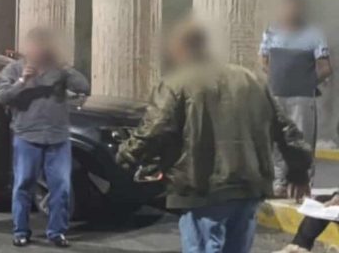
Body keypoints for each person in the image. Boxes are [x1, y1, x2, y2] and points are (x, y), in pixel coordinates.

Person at [116, 21, 313, 253]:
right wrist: (298, 171)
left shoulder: (177, 82)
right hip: (249, 185)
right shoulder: (252, 79)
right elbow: (287, 130)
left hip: (202, 187)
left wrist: (126, 156)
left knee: (203, 246)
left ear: (180, 48)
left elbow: (154, 129)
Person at [0, 27, 90, 248]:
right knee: (23, 185)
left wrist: (66, 68)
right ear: (28, 48)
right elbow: (2, 97)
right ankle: (20, 231)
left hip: (58, 139)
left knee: (61, 187)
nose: (39, 50)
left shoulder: (59, 70)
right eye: (35, 45)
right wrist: (23, 81)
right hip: (27, 137)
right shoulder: (14, 69)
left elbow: (84, 87)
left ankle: (57, 232)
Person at [260, 0, 332, 196]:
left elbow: (325, 67)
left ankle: (303, 184)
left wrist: (307, 82)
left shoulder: (313, 34)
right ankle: (279, 183)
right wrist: (277, 77)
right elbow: (263, 60)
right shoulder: (271, 32)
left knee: (302, 141)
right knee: (276, 140)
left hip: (302, 98)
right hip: (276, 95)